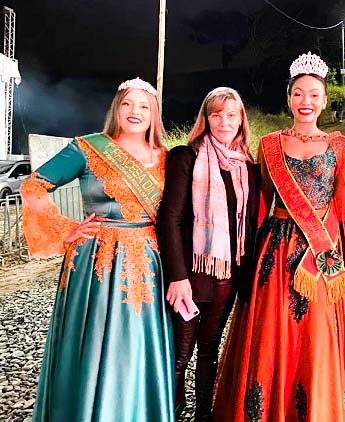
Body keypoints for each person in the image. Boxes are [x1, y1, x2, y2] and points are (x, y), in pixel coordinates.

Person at [213, 52, 345, 421]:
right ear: (288, 98)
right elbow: (258, 205)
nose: (306, 101)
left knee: (317, 334)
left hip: (321, 256)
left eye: (314, 95)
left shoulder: (341, 147)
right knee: (273, 333)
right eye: (299, 94)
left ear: (325, 100)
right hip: (275, 252)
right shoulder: (269, 144)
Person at [22, 78, 174, 421]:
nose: (135, 111)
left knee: (138, 344)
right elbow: (33, 187)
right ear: (116, 108)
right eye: (127, 103)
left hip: (149, 264)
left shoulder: (167, 158)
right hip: (96, 262)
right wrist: (67, 228)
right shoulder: (87, 148)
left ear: (154, 114)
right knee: (92, 343)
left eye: (144, 106)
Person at [156, 87, 260, 421]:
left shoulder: (248, 168)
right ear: (206, 119)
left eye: (231, 115)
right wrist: (177, 277)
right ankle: (171, 411)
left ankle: (204, 413)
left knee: (209, 350)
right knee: (180, 353)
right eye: (216, 114)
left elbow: (250, 225)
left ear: (241, 120)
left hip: (227, 277)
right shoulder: (186, 157)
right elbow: (170, 219)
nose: (224, 122)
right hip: (191, 275)